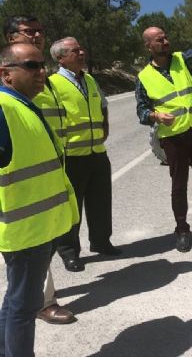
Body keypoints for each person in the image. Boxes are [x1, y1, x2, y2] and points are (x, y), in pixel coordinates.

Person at [0, 42, 79, 356]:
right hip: (25, 232)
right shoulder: (4, 108)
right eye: (31, 66)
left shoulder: (22, 104)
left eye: (42, 64)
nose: (42, 72)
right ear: (6, 74)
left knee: (16, 301)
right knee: (24, 306)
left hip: (36, 227)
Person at [135, 27, 192, 252]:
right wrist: (155, 115)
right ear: (149, 46)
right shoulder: (143, 77)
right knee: (179, 186)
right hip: (173, 137)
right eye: (160, 40)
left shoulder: (180, 60)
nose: (166, 41)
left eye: (166, 37)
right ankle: (182, 230)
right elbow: (141, 110)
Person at [50, 37, 120, 272]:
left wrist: (105, 127)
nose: (81, 52)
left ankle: (101, 242)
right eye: (74, 50)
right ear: (60, 58)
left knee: (101, 201)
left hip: (97, 152)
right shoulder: (52, 84)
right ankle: (70, 253)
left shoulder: (89, 78)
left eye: (81, 49)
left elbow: (102, 104)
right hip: (72, 155)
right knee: (72, 208)